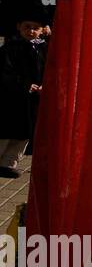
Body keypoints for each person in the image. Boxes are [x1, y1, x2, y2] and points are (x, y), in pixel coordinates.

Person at [0, 13, 48, 178]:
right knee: (5, 133)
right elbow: (5, 72)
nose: (31, 31)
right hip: (11, 98)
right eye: (27, 27)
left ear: (42, 30)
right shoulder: (10, 47)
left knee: (24, 135)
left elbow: (50, 69)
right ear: (19, 26)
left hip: (32, 100)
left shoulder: (43, 47)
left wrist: (44, 85)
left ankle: (8, 164)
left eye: (36, 28)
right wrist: (25, 84)